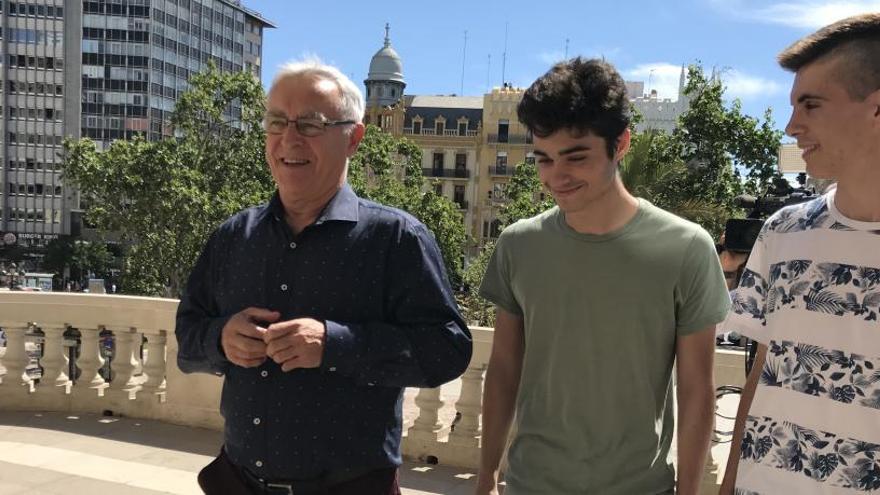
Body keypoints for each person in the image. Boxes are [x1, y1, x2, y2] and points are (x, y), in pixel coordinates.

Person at [175, 58, 472, 495]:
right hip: (237, 481)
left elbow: (448, 350)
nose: (288, 138)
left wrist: (336, 345)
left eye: (310, 125)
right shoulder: (232, 237)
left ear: (353, 138)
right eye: (276, 122)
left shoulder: (396, 239)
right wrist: (221, 339)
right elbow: (188, 337)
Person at [476, 58, 731, 495]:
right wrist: (485, 479)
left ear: (621, 144)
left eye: (576, 157)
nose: (557, 175)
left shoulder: (686, 247)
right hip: (530, 484)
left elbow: (696, 391)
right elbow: (503, 369)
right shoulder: (518, 245)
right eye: (543, 158)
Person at [720, 13, 880, 495]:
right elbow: (761, 375)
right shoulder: (784, 231)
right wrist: (729, 484)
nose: (792, 126)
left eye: (810, 105)